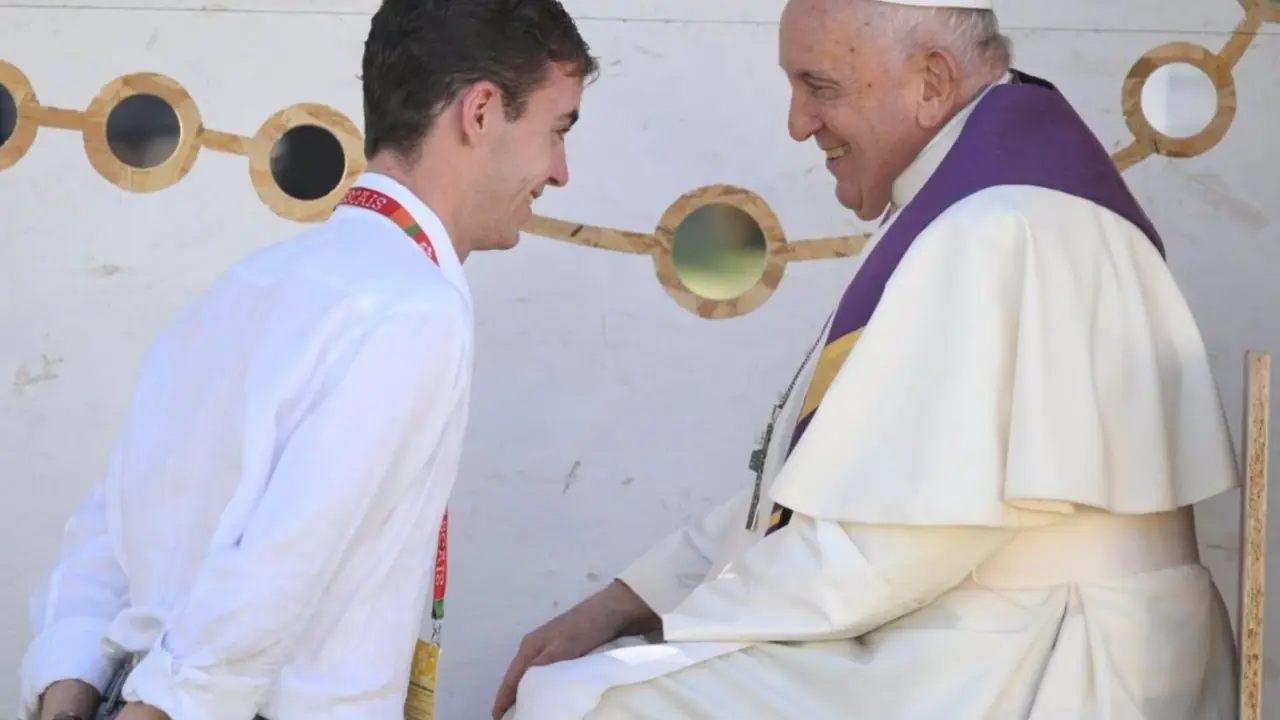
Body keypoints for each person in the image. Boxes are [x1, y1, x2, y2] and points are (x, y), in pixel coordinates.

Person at [494, 0, 1241, 717]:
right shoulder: (971, 198)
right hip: (1001, 637)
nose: (796, 124)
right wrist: (633, 598)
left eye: (819, 87)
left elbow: (888, 548)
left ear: (933, 83)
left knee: (586, 701)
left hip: (1046, 664)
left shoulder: (1004, 224)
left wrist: (669, 628)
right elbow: (839, 491)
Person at [20, 1, 596, 719]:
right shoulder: (415, 309)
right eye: (557, 131)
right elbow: (278, 566)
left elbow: (111, 532)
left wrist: (67, 691)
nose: (560, 172)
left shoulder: (246, 286)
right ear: (480, 112)